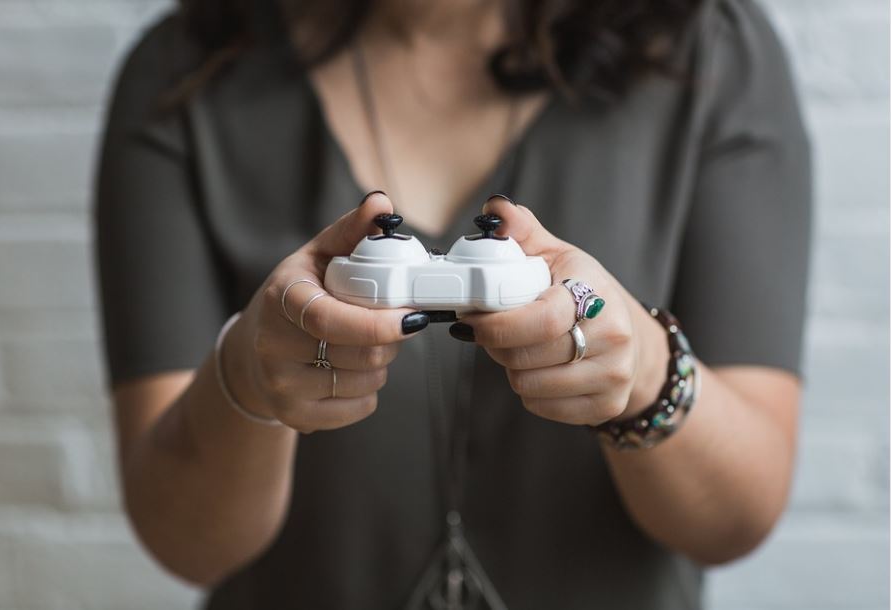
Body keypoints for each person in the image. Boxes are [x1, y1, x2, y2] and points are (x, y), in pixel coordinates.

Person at [95, 0, 811, 607]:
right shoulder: (189, 73)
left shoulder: (705, 51)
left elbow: (734, 520)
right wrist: (246, 386)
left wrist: (647, 376)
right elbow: (187, 543)